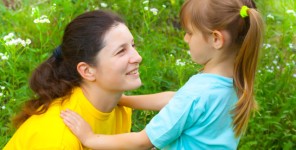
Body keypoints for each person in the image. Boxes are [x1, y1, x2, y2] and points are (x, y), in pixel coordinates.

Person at [60, 0, 264, 149]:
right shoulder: (234, 82)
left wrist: (91, 139)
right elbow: (175, 99)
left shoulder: (196, 94)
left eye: (190, 32)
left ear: (216, 39)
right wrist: (126, 101)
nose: (185, 39)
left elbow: (141, 143)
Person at [4, 10, 174, 149]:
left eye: (133, 45)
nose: (137, 57)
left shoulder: (119, 110)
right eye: (121, 51)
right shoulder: (60, 137)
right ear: (87, 71)